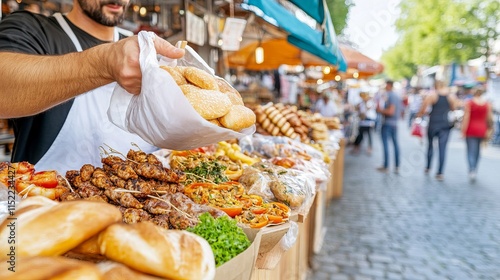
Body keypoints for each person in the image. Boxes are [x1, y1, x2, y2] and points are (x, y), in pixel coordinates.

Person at [0, 0, 185, 173]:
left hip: (145, 201)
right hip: (50, 202)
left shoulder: (144, 48)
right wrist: (104, 63)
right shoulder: (32, 29)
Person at [417, 80, 458, 181]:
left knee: (430, 146)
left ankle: (428, 166)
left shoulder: (432, 95)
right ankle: (440, 172)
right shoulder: (450, 96)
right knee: (442, 148)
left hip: (433, 123)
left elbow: (423, 109)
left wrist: (420, 115)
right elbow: (454, 109)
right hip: (445, 125)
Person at [461, 86, 493, 181]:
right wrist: (489, 128)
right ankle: (475, 167)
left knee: (470, 150)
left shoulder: (469, 103)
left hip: (471, 129)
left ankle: (472, 169)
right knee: (478, 150)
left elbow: (466, 117)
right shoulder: (487, 104)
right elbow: (489, 118)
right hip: (482, 129)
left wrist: (463, 130)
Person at [376, 80, 402, 173]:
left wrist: (380, 110)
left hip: (388, 123)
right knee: (395, 145)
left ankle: (386, 165)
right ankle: (396, 166)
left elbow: (391, 111)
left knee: (387, 144)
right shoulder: (396, 96)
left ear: (388, 85)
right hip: (394, 123)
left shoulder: (391, 96)